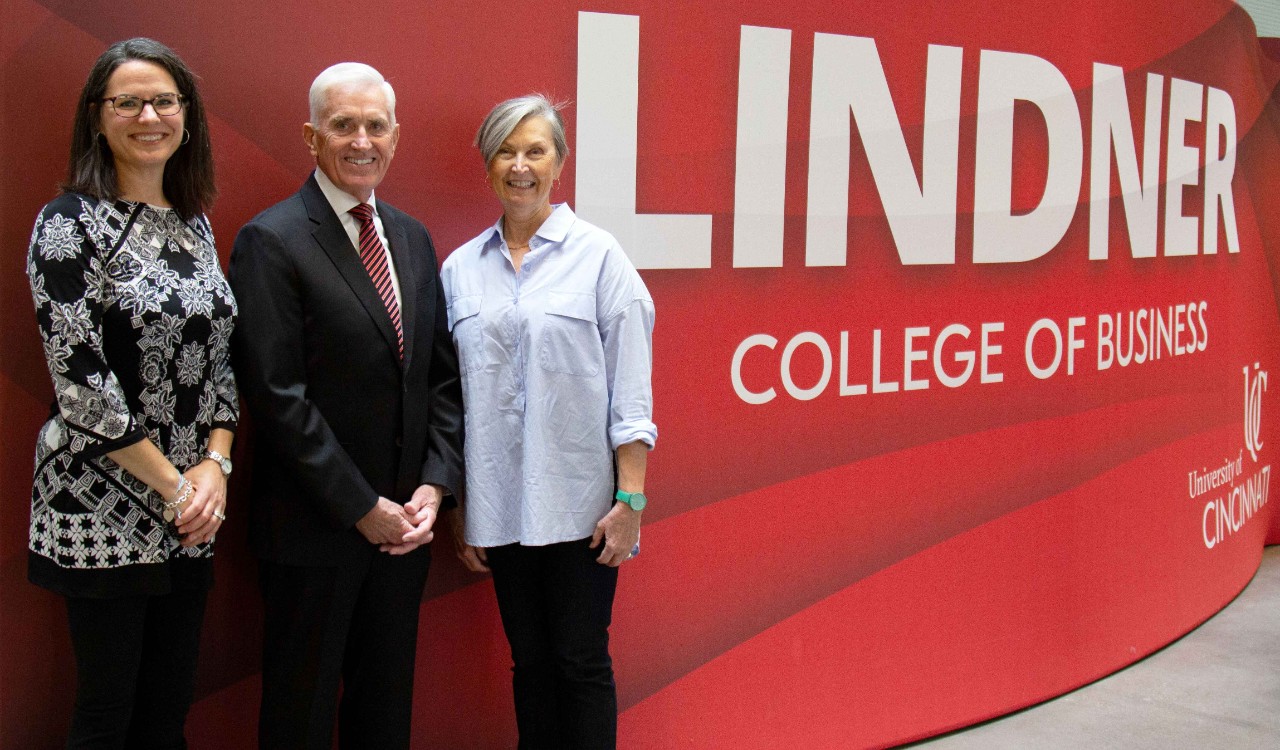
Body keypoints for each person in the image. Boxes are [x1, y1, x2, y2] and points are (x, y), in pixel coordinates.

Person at [228, 62, 464, 750]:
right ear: (311, 136)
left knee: (384, 713)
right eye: (344, 125)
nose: (362, 140)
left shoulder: (414, 239)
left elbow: (439, 380)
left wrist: (433, 483)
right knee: (298, 718)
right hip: (314, 531)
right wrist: (363, 508)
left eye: (376, 125)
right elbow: (276, 396)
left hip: (405, 532)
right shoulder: (271, 240)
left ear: (396, 136)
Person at [24, 37, 236, 747]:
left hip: (191, 510)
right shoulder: (67, 224)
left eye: (165, 101)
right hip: (98, 503)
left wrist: (216, 466)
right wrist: (177, 487)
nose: (149, 115)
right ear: (97, 116)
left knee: (167, 710)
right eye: (128, 102)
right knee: (107, 712)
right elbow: (81, 384)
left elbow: (220, 363)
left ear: (187, 115)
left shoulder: (195, 225)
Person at [442, 94, 657, 750]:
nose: (520, 164)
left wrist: (630, 500)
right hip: (501, 509)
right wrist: (462, 505)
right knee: (530, 664)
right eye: (506, 150)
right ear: (487, 166)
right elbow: (454, 399)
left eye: (535, 149)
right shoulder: (458, 269)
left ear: (559, 163)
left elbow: (632, 391)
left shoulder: (599, 256)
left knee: (580, 661)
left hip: (582, 507)